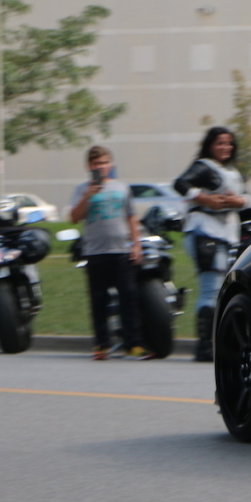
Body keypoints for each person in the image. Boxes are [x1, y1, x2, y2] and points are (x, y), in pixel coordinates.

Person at [173, 126, 251, 362]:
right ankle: (204, 347)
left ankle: (217, 343)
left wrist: (239, 200)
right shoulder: (204, 166)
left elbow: (247, 197)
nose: (225, 147)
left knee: (220, 290)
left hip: (226, 233)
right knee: (210, 288)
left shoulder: (232, 171)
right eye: (219, 143)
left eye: (228, 143)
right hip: (205, 231)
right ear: (210, 145)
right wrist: (204, 198)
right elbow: (180, 183)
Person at [69, 145, 148, 360]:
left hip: (121, 250)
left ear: (110, 165)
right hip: (95, 252)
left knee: (128, 297)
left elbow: (131, 217)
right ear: (88, 166)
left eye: (103, 163)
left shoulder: (122, 188)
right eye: (96, 164)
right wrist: (87, 196)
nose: (100, 167)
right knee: (99, 299)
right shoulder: (82, 190)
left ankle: (134, 343)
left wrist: (136, 244)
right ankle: (102, 344)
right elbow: (74, 217)